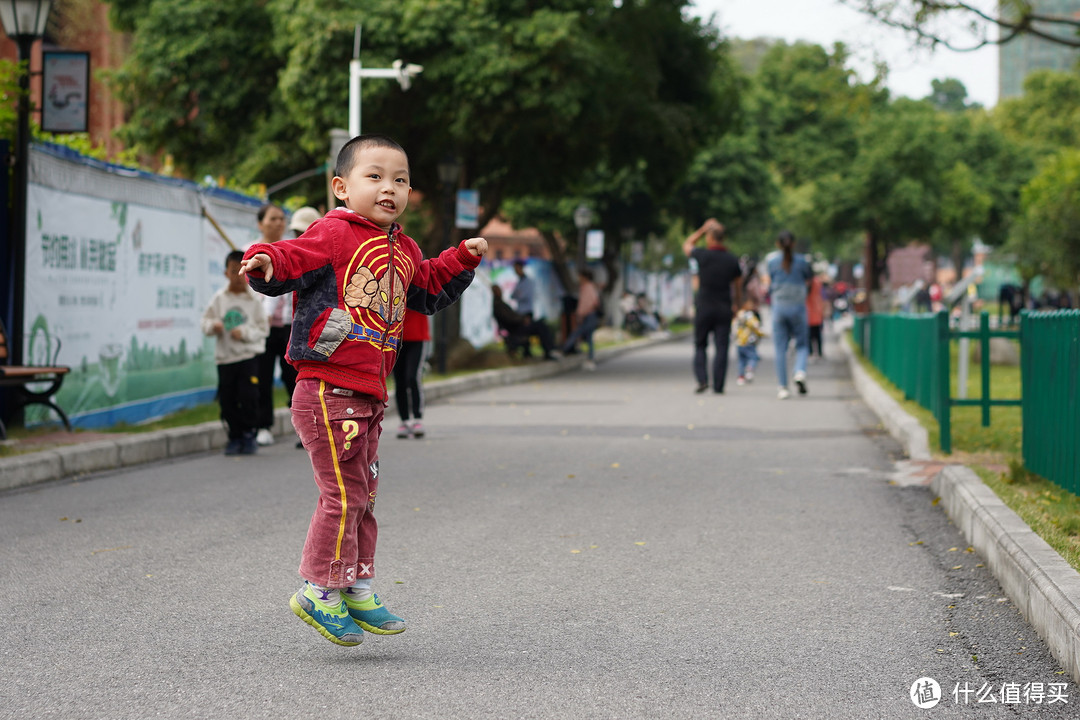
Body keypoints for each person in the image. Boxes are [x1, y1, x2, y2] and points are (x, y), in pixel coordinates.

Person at [239, 133, 488, 647]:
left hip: (369, 397)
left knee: (364, 495)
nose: (388, 188)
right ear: (341, 187)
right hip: (327, 388)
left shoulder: (404, 249)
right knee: (343, 494)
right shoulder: (332, 234)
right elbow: (290, 256)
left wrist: (461, 259)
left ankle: (356, 584)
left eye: (400, 179)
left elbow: (427, 290)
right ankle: (316, 589)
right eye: (373, 177)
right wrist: (264, 259)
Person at [201, 250, 270, 456]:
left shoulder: (254, 300)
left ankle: (249, 434)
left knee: (248, 396)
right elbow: (204, 322)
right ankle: (234, 436)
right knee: (227, 399)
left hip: (248, 356)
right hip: (225, 357)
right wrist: (214, 326)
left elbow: (263, 329)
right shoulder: (219, 299)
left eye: (242, 271)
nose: (238, 276)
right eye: (233, 271)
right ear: (226, 274)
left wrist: (246, 333)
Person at [682, 218, 743, 394]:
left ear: (709, 237)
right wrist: (736, 305)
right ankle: (718, 385)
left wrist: (702, 229)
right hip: (724, 308)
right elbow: (738, 286)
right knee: (722, 347)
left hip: (704, 306)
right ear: (723, 238)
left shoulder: (702, 255)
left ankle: (702, 380)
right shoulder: (731, 259)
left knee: (700, 345)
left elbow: (687, 244)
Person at [252, 203, 292, 446]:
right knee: (262, 376)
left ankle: (302, 424)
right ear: (260, 223)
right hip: (261, 328)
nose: (278, 223)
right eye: (273, 218)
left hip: (289, 325)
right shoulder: (249, 252)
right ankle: (263, 426)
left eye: (281, 218)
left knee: (294, 377)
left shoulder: (292, 249)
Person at [766, 230, 812, 399]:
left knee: (780, 349)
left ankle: (783, 387)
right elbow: (809, 280)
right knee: (802, 345)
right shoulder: (802, 262)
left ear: (778, 244)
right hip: (798, 307)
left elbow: (771, 281)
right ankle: (799, 371)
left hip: (779, 307)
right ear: (793, 243)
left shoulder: (772, 262)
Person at [492, 285, 557, 359]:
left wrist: (522, 319)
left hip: (517, 326)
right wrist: (523, 319)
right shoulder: (498, 305)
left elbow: (512, 317)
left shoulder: (499, 304)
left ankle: (550, 350)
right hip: (516, 329)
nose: (500, 292)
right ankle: (549, 351)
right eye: (498, 290)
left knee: (541, 323)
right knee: (540, 325)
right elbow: (510, 319)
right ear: (495, 292)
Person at [393, 308, 429, 439]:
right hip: (395, 336)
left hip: (417, 336)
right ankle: (404, 421)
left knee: (412, 377)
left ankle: (417, 419)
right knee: (399, 380)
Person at [560, 268, 602, 370]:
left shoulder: (588, 287)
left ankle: (563, 351)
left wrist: (582, 314)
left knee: (577, 333)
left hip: (589, 316)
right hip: (588, 315)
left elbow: (593, 302)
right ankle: (590, 358)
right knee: (588, 337)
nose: (579, 278)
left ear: (585, 277)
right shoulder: (586, 287)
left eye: (580, 276)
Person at [734, 298, 764, 386]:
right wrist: (761, 334)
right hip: (749, 341)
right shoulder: (750, 316)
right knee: (753, 357)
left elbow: (734, 328)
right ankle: (750, 369)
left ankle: (740, 377)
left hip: (739, 342)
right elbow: (756, 326)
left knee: (741, 361)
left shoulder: (738, 316)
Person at [806, 271, 825, 360]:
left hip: (808, 312)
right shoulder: (817, 282)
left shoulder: (807, 282)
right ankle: (819, 353)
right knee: (818, 335)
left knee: (809, 335)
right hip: (817, 311)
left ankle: (811, 352)